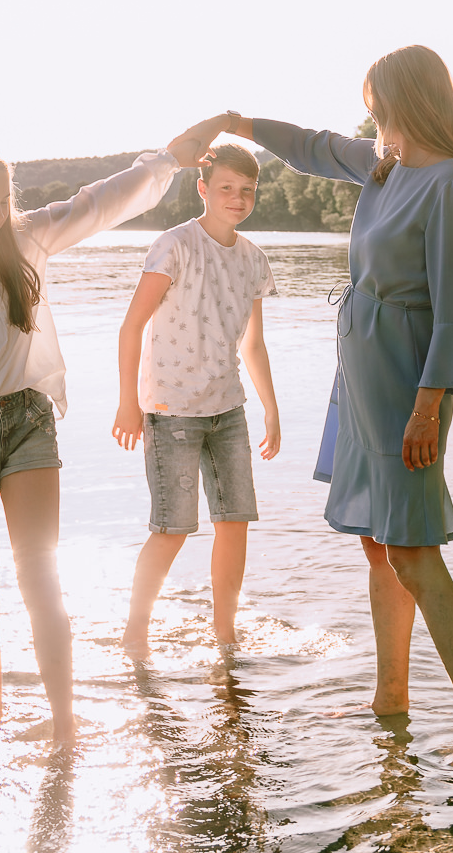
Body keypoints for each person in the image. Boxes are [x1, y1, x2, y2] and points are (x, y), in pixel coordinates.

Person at [194, 46, 453, 766]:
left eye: (378, 106)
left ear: (408, 102)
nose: (372, 120)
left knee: (414, 551)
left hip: (407, 379)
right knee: (376, 542)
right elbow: (306, 147)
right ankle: (389, 698)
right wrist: (236, 120)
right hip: (359, 369)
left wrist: (429, 408)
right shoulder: (382, 164)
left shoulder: (449, 184)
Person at [0, 125, 212, 744]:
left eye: (4, 201)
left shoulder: (24, 242)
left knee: (39, 578)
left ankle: (64, 723)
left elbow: (98, 202)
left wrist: (168, 162)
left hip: (27, 423)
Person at [112, 143, 280, 659]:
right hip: (170, 411)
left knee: (235, 523)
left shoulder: (253, 259)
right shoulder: (173, 246)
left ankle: (224, 632)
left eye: (247, 191)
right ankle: (135, 632)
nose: (237, 198)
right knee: (173, 528)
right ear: (203, 189)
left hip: (227, 410)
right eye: (226, 188)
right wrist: (128, 403)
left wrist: (270, 408)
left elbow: (252, 342)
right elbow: (132, 324)